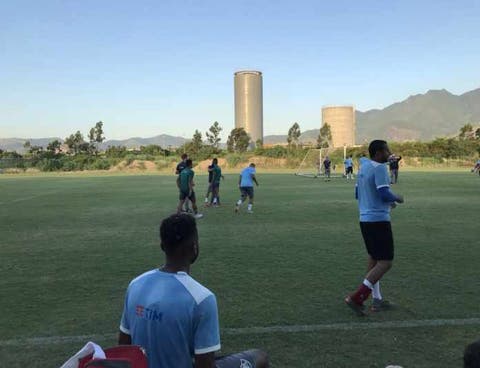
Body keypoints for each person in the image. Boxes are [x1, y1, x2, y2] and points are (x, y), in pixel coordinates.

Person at [118, 214, 269, 368]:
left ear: (162, 246)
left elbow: (123, 349)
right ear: (194, 247)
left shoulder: (135, 284)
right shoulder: (202, 299)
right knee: (259, 357)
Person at [345, 140, 404, 316]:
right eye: (387, 150)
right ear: (379, 153)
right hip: (378, 220)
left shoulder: (364, 168)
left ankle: (376, 299)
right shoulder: (379, 168)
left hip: (365, 219)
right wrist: (398, 198)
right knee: (385, 262)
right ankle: (357, 297)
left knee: (374, 259)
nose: (389, 153)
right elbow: (384, 192)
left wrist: (387, 202)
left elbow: (358, 193)